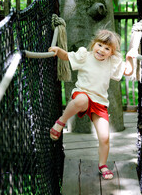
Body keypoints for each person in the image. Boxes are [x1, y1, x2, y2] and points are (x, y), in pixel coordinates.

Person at [48, 29, 133, 180]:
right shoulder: (84, 57)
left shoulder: (111, 63)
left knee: (105, 137)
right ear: (94, 44)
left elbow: (127, 71)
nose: (101, 50)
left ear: (111, 52)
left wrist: (130, 58)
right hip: (82, 94)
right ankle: (60, 122)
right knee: (81, 100)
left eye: (107, 48)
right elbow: (67, 56)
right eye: (99, 45)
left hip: (100, 102)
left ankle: (102, 165)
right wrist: (57, 50)